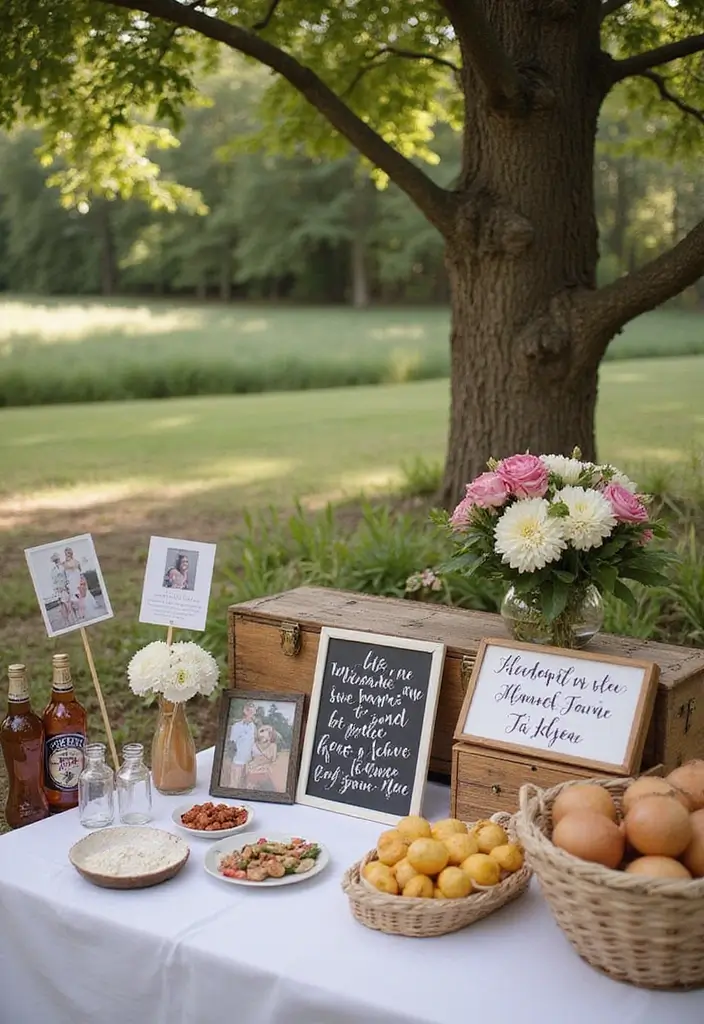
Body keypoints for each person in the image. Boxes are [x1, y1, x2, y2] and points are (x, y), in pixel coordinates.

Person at [227, 701, 257, 789]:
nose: (250, 713)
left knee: (246, 785)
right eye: (248, 710)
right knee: (234, 783)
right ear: (244, 711)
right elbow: (232, 744)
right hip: (238, 759)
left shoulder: (254, 727)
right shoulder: (236, 726)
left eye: (252, 711)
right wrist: (231, 758)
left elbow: (254, 743)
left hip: (249, 760)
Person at [245, 725, 280, 792]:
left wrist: (258, 762)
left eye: (267, 730)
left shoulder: (273, 745)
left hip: (263, 773)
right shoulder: (253, 745)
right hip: (253, 773)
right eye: (262, 730)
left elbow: (273, 759)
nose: (265, 731)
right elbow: (249, 759)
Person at [50, 553, 72, 628]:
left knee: (69, 604)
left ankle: (72, 617)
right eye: (55, 560)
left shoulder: (63, 567)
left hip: (66, 587)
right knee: (63, 605)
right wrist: (57, 589)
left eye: (57, 559)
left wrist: (67, 585)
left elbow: (67, 576)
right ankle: (66, 621)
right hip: (59, 590)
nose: (57, 561)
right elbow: (54, 581)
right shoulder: (53, 570)